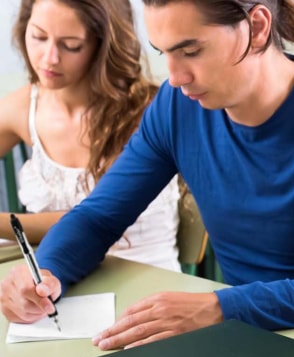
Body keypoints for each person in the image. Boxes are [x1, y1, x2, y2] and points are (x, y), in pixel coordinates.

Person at [0, 0, 294, 350]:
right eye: (163, 53)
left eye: (191, 51)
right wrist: (48, 272)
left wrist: (224, 307)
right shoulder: (175, 106)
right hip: (245, 344)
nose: (175, 77)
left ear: (257, 27)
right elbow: (99, 218)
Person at [0, 0, 180, 271]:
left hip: (144, 273)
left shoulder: (147, 112)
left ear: (103, 45)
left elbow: (97, 222)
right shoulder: (22, 106)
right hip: (56, 272)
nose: (49, 58)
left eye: (70, 45)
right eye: (38, 36)